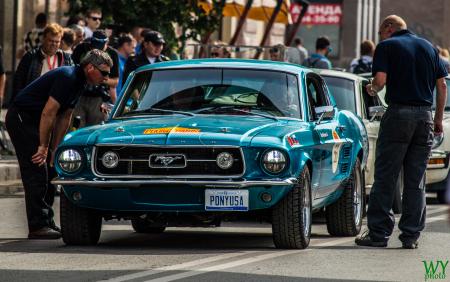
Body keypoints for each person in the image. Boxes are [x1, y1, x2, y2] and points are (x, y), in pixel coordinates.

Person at [355, 15, 448, 249]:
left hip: (398, 115)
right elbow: (442, 85)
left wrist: (371, 87)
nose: (380, 37)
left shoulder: (386, 46)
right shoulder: (429, 47)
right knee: (416, 180)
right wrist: (437, 118)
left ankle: (378, 234)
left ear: (388, 28)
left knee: (386, 175)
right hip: (424, 117)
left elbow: (380, 81)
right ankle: (410, 236)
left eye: (380, 32)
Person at [5, 50, 112, 239]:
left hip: (37, 120)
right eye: (104, 73)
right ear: (90, 67)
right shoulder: (67, 77)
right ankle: (37, 225)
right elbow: (49, 112)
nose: (106, 78)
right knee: (36, 168)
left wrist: (55, 149)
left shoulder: (80, 81)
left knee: (51, 168)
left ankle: (46, 221)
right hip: (22, 118)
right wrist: (43, 147)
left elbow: (65, 116)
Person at [72, 29, 119, 127]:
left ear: (106, 43)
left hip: (99, 99)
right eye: (94, 46)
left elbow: (115, 82)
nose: (96, 51)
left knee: (96, 129)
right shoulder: (81, 49)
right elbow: (72, 70)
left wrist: (99, 77)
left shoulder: (112, 54)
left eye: (100, 47)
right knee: (76, 128)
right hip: (79, 95)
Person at [13, 23, 73, 101]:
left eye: (57, 41)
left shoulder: (66, 59)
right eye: (51, 41)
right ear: (43, 39)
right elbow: (18, 82)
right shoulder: (30, 57)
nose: (53, 44)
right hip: (33, 102)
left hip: (54, 106)